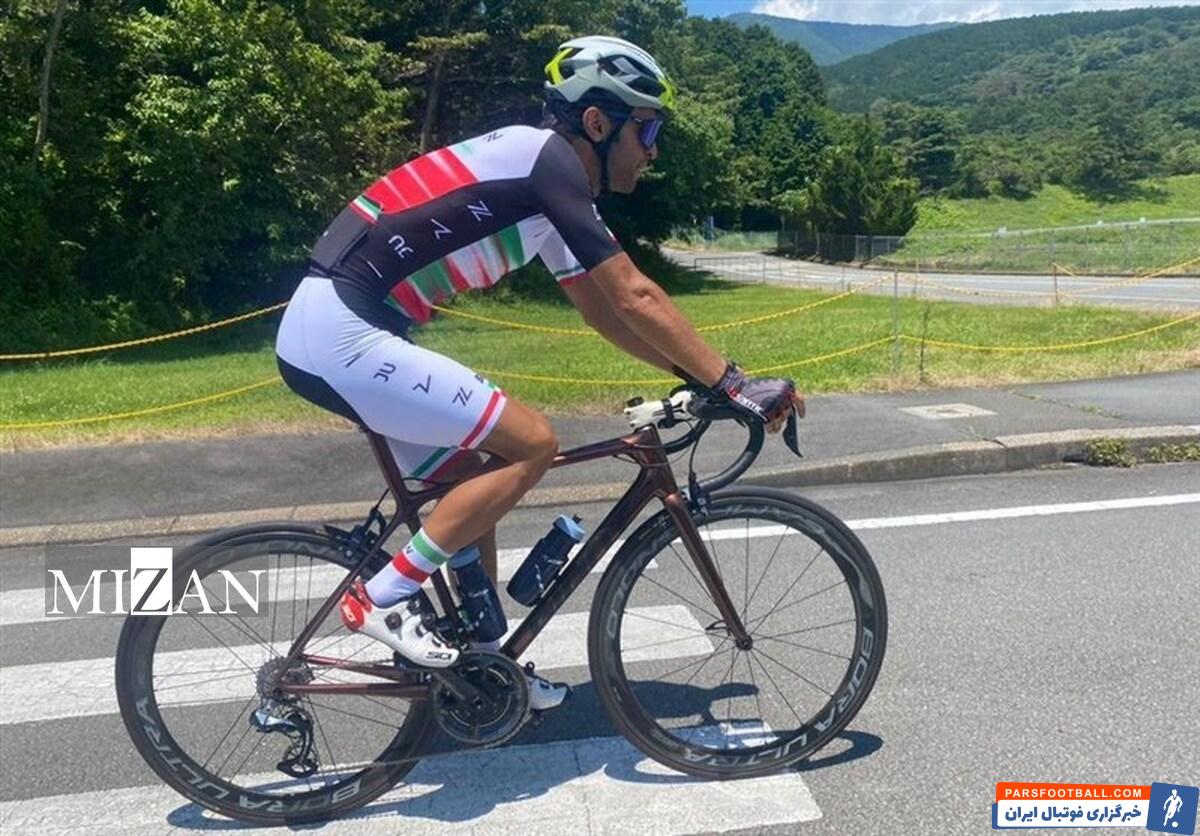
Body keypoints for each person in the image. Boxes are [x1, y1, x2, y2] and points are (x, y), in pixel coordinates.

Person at [274, 35, 804, 710]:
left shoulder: (547, 188)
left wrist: (705, 380)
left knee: (475, 478)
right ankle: (382, 597)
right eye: (647, 130)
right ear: (597, 122)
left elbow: (608, 314)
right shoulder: (545, 162)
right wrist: (733, 384)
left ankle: (484, 666)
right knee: (532, 443)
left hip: (337, 330)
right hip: (341, 331)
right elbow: (636, 294)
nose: (653, 150)